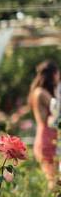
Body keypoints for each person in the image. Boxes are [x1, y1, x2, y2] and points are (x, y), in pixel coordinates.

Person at [28, 60, 60, 188]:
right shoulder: (41, 93)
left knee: (54, 179)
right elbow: (57, 109)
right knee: (54, 181)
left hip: (47, 137)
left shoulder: (38, 91)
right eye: (58, 74)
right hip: (47, 138)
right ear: (52, 74)